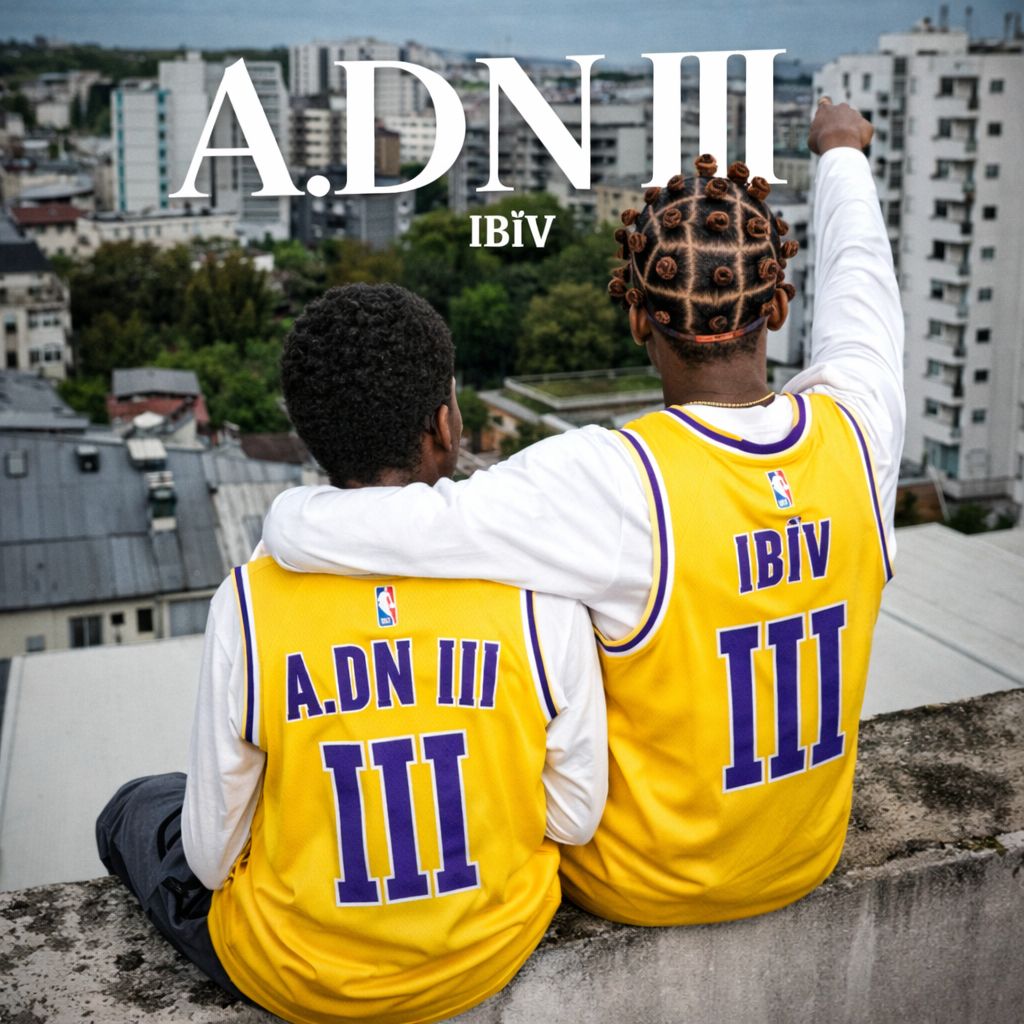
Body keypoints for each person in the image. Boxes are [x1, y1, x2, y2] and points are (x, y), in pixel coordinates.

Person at [261, 101, 904, 928]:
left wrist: (289, 519)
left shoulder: (615, 481)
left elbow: (409, 522)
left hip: (644, 886)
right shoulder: (859, 435)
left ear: (637, 318)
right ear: (777, 307)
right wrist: (841, 151)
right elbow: (862, 285)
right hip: (807, 856)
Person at [96, 283, 607, 1023]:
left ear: (311, 436)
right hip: (489, 951)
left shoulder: (249, 602)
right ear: (444, 425)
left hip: (299, 978)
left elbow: (210, 857)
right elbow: (574, 819)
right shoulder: (537, 590)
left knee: (137, 806)